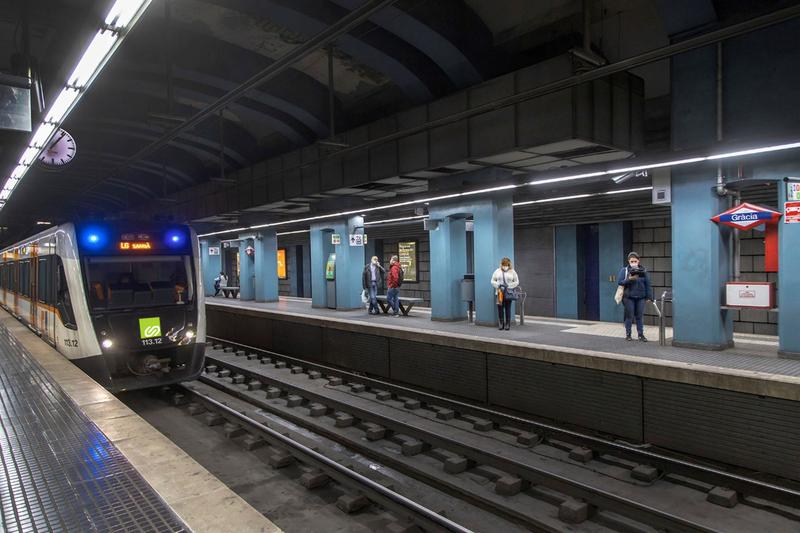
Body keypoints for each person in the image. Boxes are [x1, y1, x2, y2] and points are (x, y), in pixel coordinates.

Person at [617, 252, 653, 341]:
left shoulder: (643, 271)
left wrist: (649, 297)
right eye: (631, 261)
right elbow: (620, 282)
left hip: (641, 297)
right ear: (628, 261)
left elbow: (648, 284)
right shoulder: (624, 270)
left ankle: (641, 335)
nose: (633, 263)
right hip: (628, 297)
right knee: (629, 316)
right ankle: (628, 334)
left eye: (635, 261)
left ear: (638, 261)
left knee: (639, 316)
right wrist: (629, 279)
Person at [491, 257, 520, 331]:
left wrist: (509, 286)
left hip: (508, 292)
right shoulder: (497, 271)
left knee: (508, 308)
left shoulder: (512, 271)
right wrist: (498, 285)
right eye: (503, 264)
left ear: (509, 264)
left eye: (506, 264)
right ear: (501, 264)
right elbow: (492, 280)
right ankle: (501, 323)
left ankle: (507, 324)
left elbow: (516, 281)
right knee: (500, 308)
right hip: (499, 292)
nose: (504, 266)